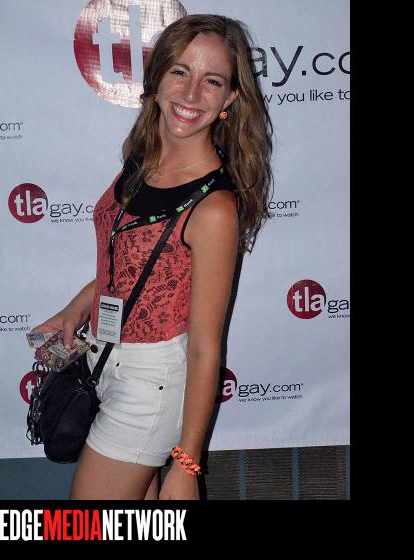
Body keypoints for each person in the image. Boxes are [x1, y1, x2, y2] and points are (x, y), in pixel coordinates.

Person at [32, 14, 273, 500]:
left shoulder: (214, 208)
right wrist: (77, 307)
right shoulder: (142, 159)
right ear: (157, 77)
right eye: (180, 71)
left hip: (151, 384)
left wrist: (187, 464)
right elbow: (129, 263)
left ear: (230, 99)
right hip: (103, 357)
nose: (191, 93)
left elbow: (205, 347)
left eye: (213, 81)